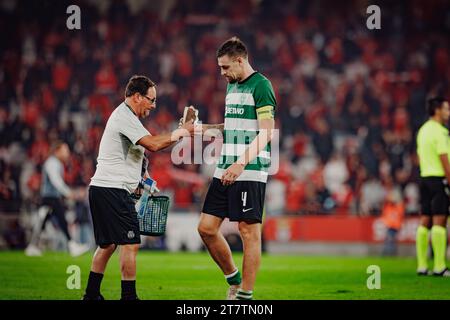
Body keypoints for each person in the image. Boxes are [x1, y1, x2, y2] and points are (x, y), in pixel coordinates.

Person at [82, 75, 195, 300]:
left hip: (102, 188)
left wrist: (142, 180)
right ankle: (129, 297)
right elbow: (153, 144)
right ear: (136, 96)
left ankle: (91, 294)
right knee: (131, 243)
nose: (153, 106)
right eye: (151, 100)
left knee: (107, 245)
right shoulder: (125, 117)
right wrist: (180, 132)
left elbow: (142, 152)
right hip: (113, 190)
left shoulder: (125, 117)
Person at [197, 37, 276, 300]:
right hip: (224, 167)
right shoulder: (233, 85)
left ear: (240, 61)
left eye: (225, 67)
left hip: (249, 169)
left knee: (248, 231)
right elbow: (231, 127)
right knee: (206, 228)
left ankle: (245, 296)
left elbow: (266, 133)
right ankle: (234, 278)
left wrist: (241, 163)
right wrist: (198, 129)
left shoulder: (262, 86)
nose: (222, 73)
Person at [25, 141, 90, 257]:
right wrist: (67, 192)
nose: (68, 153)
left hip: (51, 198)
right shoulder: (52, 163)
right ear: (57, 151)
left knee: (45, 223)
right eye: (65, 150)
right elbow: (56, 181)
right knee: (57, 221)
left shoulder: (56, 163)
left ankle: (33, 246)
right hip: (50, 198)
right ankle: (72, 246)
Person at [416, 97, 450, 276]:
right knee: (440, 221)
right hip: (438, 178)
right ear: (437, 110)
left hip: (424, 178)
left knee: (424, 221)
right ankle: (439, 266)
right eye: (446, 109)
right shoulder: (440, 132)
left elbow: (420, 156)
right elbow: (444, 158)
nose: (448, 113)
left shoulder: (422, 131)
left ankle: (422, 265)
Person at [381, 188, 405, 256]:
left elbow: (400, 214)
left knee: (391, 240)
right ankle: (389, 253)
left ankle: (389, 253)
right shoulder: (389, 206)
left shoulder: (398, 206)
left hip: (395, 226)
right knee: (389, 240)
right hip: (390, 225)